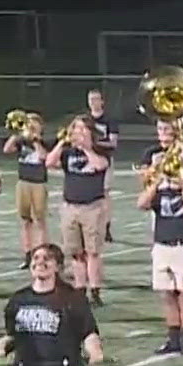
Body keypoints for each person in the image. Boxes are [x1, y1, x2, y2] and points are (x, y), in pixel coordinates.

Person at [137, 154, 183, 355]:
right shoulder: (159, 191)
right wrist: (156, 182)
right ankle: (173, 338)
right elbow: (141, 203)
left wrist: (182, 186)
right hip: (162, 246)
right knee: (167, 295)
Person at [45, 116, 109, 305]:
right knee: (75, 252)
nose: (78, 133)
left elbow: (100, 165)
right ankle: (80, 289)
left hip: (92, 207)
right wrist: (61, 143)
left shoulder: (101, 150)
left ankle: (95, 290)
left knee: (93, 252)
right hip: (70, 206)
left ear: (90, 131)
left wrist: (86, 148)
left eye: (82, 129)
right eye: (75, 129)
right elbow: (49, 162)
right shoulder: (68, 152)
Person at [4, 113, 51, 264]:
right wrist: (17, 133)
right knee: (25, 220)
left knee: (40, 220)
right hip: (23, 182)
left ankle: (42, 252)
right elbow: (7, 149)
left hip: (38, 183)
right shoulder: (21, 141)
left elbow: (44, 157)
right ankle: (27, 253)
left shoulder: (44, 141)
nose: (31, 126)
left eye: (34, 123)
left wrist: (36, 140)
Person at [86, 90, 119, 244]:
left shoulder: (109, 120)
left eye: (96, 99)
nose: (93, 102)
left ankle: (106, 226)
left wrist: (95, 143)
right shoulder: (85, 120)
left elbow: (113, 142)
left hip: (104, 158)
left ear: (102, 101)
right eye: (91, 99)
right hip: (87, 160)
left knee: (104, 193)